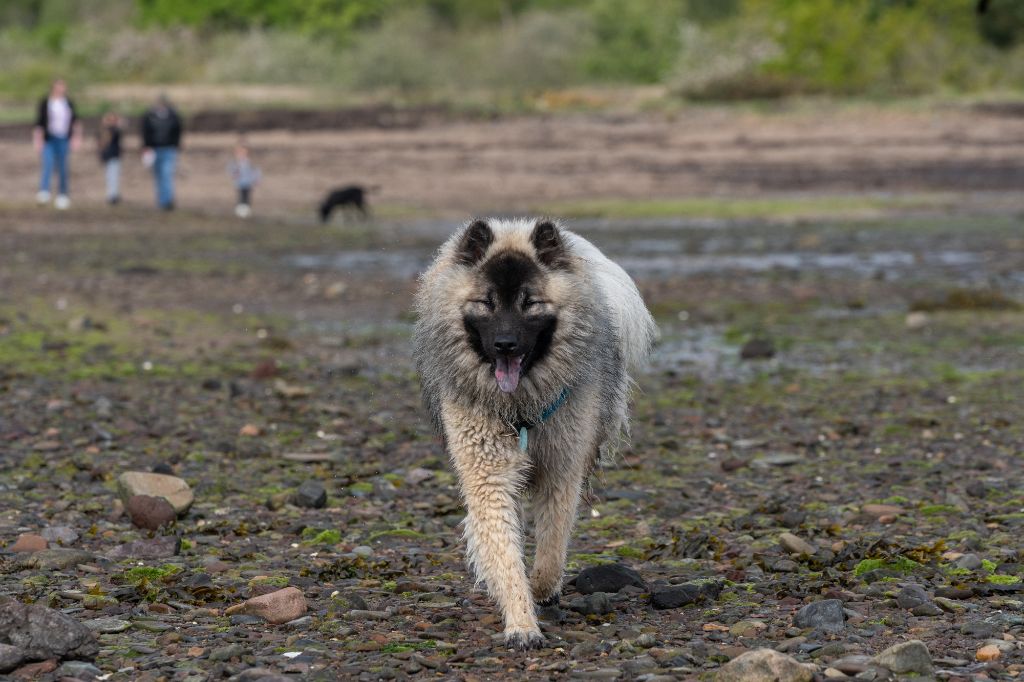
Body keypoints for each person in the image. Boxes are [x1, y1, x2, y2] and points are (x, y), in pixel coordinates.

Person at [33, 78, 83, 210]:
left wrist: (76, 138)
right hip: (49, 139)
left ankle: (63, 195)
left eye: (63, 86)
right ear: (53, 87)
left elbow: (75, 121)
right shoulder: (46, 102)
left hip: (64, 138)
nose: (61, 89)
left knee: (62, 167)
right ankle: (44, 192)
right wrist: (38, 140)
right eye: (58, 86)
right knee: (48, 164)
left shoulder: (68, 103)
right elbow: (39, 122)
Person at [141, 94, 183, 211]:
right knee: (158, 176)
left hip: (169, 149)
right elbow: (145, 132)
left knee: (166, 174)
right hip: (154, 149)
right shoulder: (149, 116)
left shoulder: (173, 116)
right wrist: (146, 147)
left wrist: (175, 145)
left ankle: (167, 201)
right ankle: (161, 201)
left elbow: (178, 131)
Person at [228, 138, 261, 218]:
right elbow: (232, 171)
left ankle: (246, 212)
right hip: (240, 183)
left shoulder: (250, 162)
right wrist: (235, 173)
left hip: (248, 183)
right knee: (241, 197)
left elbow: (256, 171)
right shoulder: (235, 162)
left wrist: (257, 179)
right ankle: (240, 212)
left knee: (247, 197)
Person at [97, 111, 123, 205]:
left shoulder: (114, 130)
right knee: (111, 176)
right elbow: (101, 143)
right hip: (109, 156)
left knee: (113, 175)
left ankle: (113, 194)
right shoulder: (105, 131)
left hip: (114, 155)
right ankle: (112, 195)